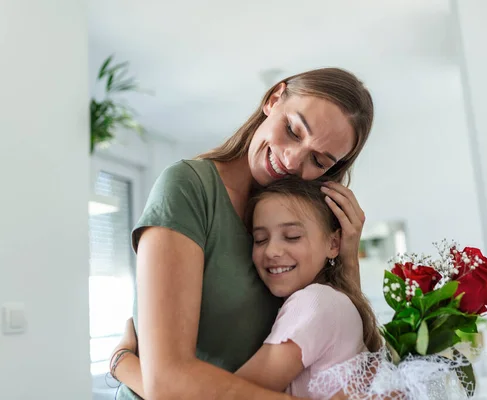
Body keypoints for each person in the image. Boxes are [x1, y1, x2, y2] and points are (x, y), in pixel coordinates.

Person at [114, 67, 374, 400]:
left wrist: (346, 256)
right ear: (274, 99)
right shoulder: (188, 189)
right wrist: (124, 365)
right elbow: (167, 384)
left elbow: (338, 349)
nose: (293, 161)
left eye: (318, 160)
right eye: (293, 130)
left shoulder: (301, 244)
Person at [110, 177, 383, 398]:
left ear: (334, 244)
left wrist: (122, 362)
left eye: (292, 236)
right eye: (260, 239)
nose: (273, 251)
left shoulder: (316, 302)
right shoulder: (336, 302)